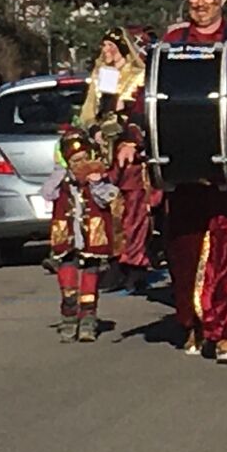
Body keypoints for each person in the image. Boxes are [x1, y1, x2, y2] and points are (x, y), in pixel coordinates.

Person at [120, 0, 227, 364]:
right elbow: (148, 97)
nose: (200, 4)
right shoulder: (172, 42)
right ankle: (192, 321)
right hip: (179, 160)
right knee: (183, 246)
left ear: (222, 0)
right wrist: (132, 137)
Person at [81, 28, 150, 293]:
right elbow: (93, 111)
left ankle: (135, 263)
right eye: (104, 45)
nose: (106, 51)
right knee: (109, 208)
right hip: (104, 150)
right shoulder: (103, 75)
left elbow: (138, 111)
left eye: (111, 45)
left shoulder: (138, 74)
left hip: (129, 149)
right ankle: (114, 261)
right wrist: (94, 130)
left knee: (134, 208)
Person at [43, 131, 121, 343]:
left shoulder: (98, 179)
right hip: (67, 235)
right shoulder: (62, 182)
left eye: (84, 159)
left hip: (92, 236)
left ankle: (88, 318)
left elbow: (109, 197)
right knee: (68, 275)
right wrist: (60, 172)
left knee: (90, 274)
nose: (81, 165)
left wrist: (96, 184)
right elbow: (47, 193)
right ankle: (69, 316)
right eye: (75, 161)